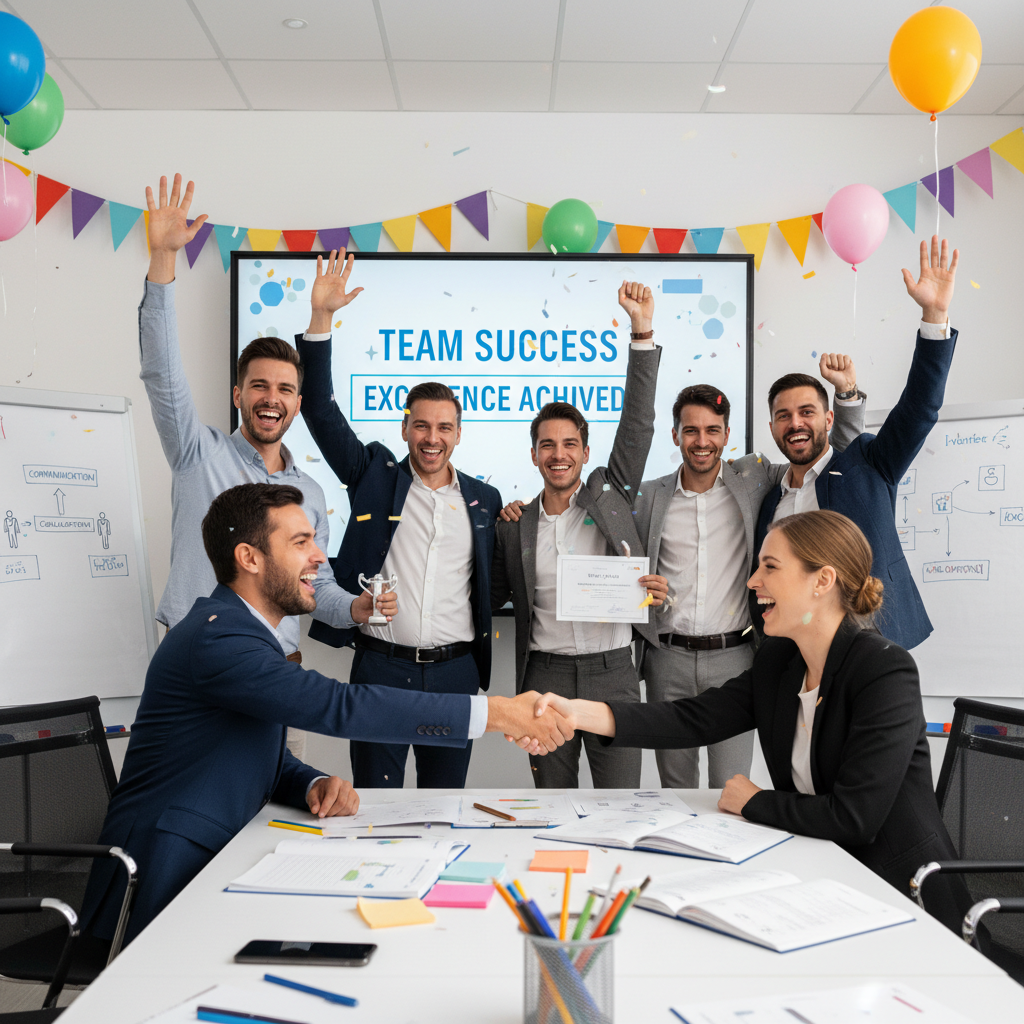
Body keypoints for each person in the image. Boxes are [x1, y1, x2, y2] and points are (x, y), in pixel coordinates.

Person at [80, 483, 573, 945]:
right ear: (249, 558)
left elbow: (242, 749)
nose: (319, 556)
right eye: (301, 542)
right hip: (160, 879)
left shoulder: (242, 632)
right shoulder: (219, 638)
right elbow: (339, 706)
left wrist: (310, 783)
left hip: (214, 861)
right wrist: (495, 712)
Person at [528, 509, 969, 934]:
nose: (753, 581)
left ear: (823, 581)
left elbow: (854, 818)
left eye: (770, 567)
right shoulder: (780, 661)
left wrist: (754, 801)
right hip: (823, 876)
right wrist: (577, 712)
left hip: (902, 895)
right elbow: (691, 719)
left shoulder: (884, 670)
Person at [139, 175, 376, 761]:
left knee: (280, 801)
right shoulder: (197, 453)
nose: (272, 398)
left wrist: (354, 609)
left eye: (286, 390)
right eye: (260, 386)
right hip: (201, 667)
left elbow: (315, 584)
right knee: (193, 800)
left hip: (278, 671)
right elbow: (162, 372)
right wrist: (163, 261)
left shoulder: (310, 492)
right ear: (238, 395)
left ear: (298, 403)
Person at [296, 253, 502, 790]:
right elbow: (319, 410)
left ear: (459, 434)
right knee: (375, 808)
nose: (432, 438)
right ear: (404, 428)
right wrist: (322, 318)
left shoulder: (484, 499)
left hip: (455, 674)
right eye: (421, 426)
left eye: (444, 428)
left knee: (444, 807)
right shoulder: (373, 475)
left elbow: (495, 578)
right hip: (381, 668)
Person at [635, 359, 865, 790]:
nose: (702, 441)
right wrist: (518, 511)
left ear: (727, 435)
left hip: (737, 658)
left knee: (732, 786)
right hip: (667, 659)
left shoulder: (755, 477)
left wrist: (847, 399)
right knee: (674, 789)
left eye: (712, 430)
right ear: (675, 435)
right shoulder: (649, 496)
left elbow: (832, 458)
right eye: (690, 431)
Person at [491, 280, 666, 789]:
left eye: (570, 444)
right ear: (533, 455)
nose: (559, 454)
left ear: (586, 454)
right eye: (547, 445)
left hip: (614, 672)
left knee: (621, 804)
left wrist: (641, 331)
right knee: (553, 805)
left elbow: (638, 425)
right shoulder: (514, 526)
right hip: (544, 676)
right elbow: (489, 594)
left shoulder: (610, 496)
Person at [753, 236, 960, 650]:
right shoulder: (769, 500)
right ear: (772, 427)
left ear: (829, 419)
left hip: (870, 645)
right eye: (784, 416)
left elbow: (920, 408)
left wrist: (934, 316)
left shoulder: (868, 464)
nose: (796, 423)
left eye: (807, 412)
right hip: (795, 653)